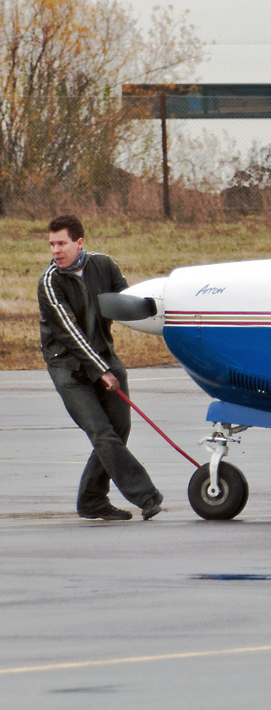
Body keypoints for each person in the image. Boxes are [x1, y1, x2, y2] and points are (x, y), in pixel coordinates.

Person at [38, 214, 163, 522]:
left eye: (62, 243)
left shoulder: (104, 265)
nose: (56, 250)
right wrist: (100, 370)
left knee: (120, 428)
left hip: (103, 358)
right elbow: (69, 332)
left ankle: (92, 499)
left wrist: (163, 315)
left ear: (79, 243)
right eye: (52, 244)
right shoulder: (49, 283)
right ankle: (146, 496)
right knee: (101, 431)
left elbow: (126, 301)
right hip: (68, 366)